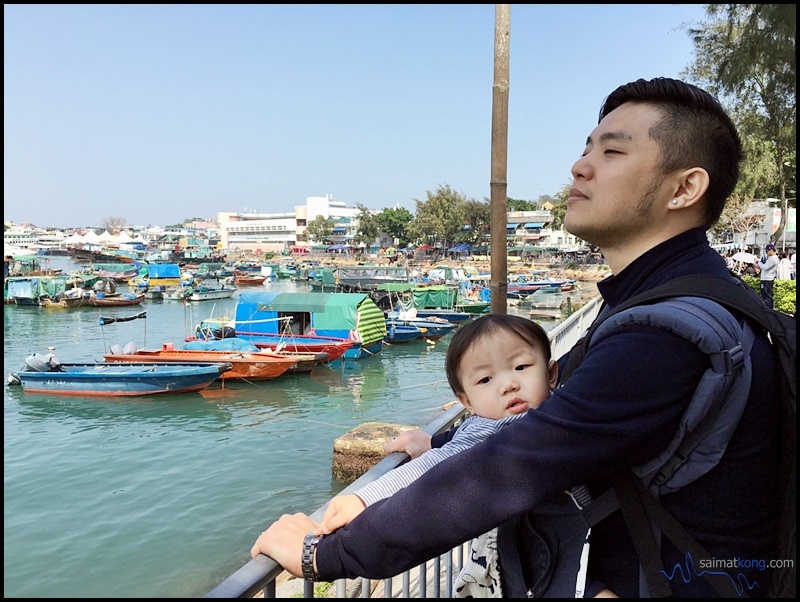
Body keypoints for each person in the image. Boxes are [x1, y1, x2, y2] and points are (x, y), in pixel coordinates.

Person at [251, 77, 781, 598]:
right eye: (586, 147)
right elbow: (547, 415)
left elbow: (514, 465)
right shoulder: (675, 300)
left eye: (613, 152)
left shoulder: (664, 334)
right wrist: (437, 445)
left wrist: (326, 554)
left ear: (684, 188)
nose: (580, 165)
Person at [311, 313, 590, 597]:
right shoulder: (567, 408)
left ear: (551, 373)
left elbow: (437, 467)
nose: (508, 385)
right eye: (485, 379)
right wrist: (433, 442)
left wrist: (364, 497)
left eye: (521, 366)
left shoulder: (507, 424)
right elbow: (455, 445)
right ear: (467, 401)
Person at [756, 242, 779, 308]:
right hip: (766, 278)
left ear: (771, 250)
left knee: (767, 296)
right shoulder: (771, 258)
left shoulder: (773, 259)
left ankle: (768, 310)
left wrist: (758, 262)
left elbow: (765, 267)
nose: (766, 253)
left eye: (767, 251)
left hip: (767, 279)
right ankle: (768, 309)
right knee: (766, 296)